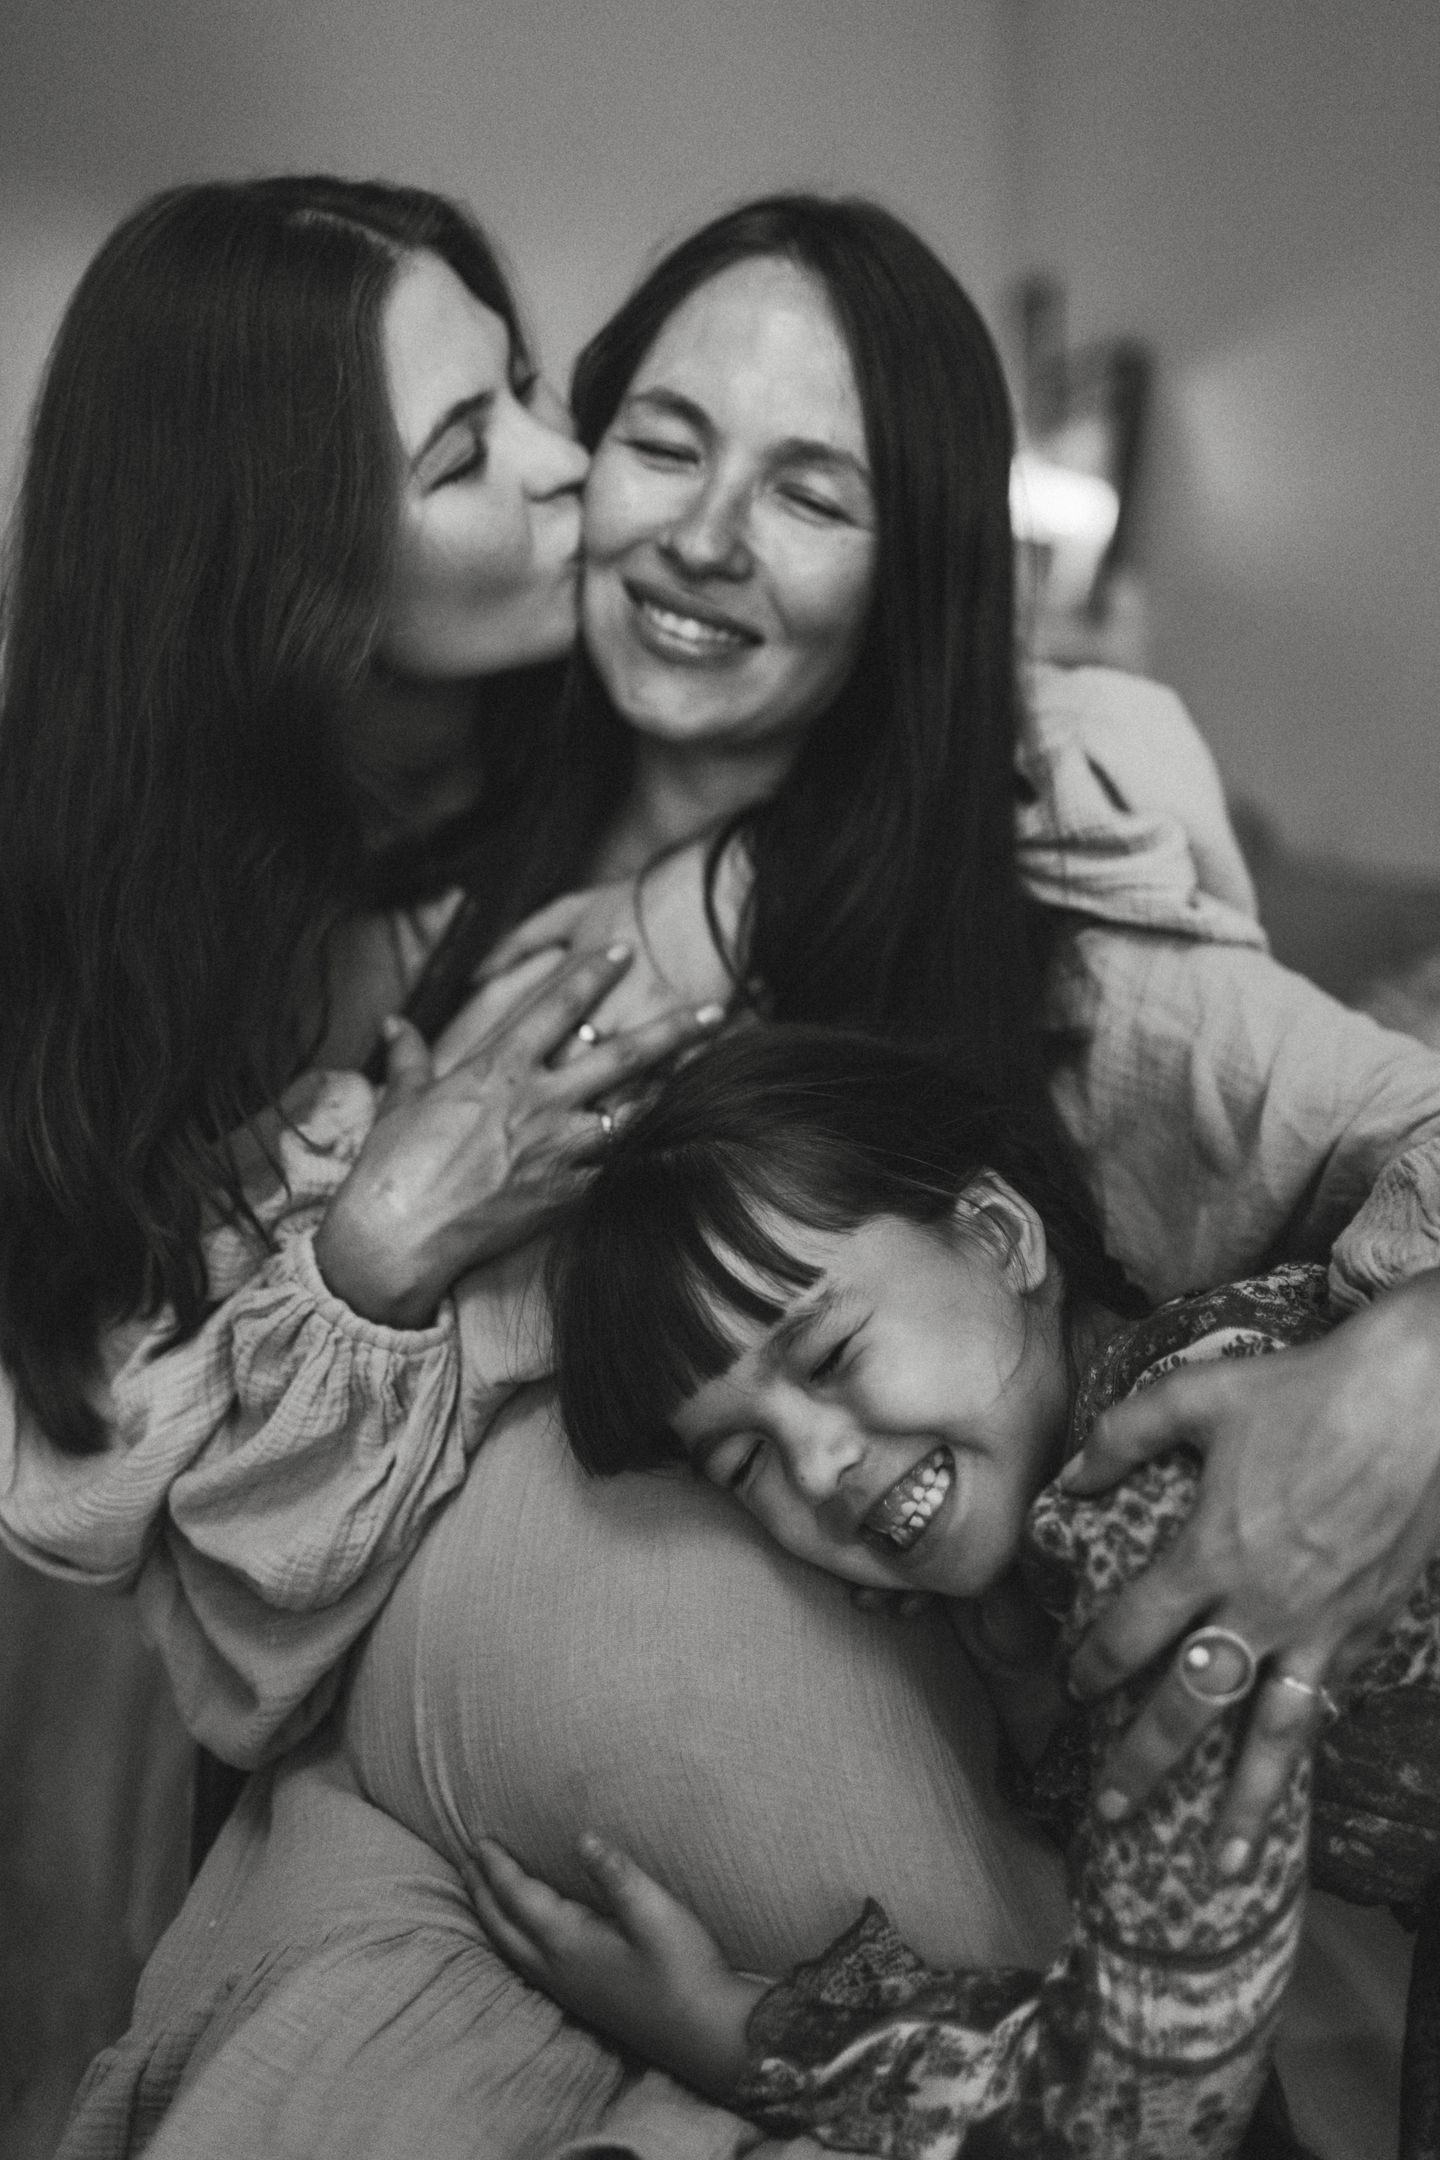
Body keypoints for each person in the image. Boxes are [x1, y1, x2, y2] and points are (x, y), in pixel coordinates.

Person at [48, 191, 1440, 2160]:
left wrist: (1401, 1383)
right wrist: (381, 1245)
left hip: (915, 2005)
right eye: (667, 441)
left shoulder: (1046, 912)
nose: (707, 534)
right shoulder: (422, 935)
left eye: (810, 492)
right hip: (428, 1876)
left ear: (914, 567)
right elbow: (206, 1607)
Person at [0, 175, 721, 1761]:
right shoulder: (96, 948)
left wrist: (734, 881)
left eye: (525, 385)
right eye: (465, 454)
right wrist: (376, 1249)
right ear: (280, 572)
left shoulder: (660, 750)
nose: (570, 461)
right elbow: (69, 1495)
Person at [469, 1024, 1440, 2158]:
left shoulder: (1166, 1498)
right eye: (742, 1463)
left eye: (830, 1356)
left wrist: (737, 2034)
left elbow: (1150, 2108)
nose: (817, 1468)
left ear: (999, 1236)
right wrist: (1029, 1681)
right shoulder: (1170, 1413)